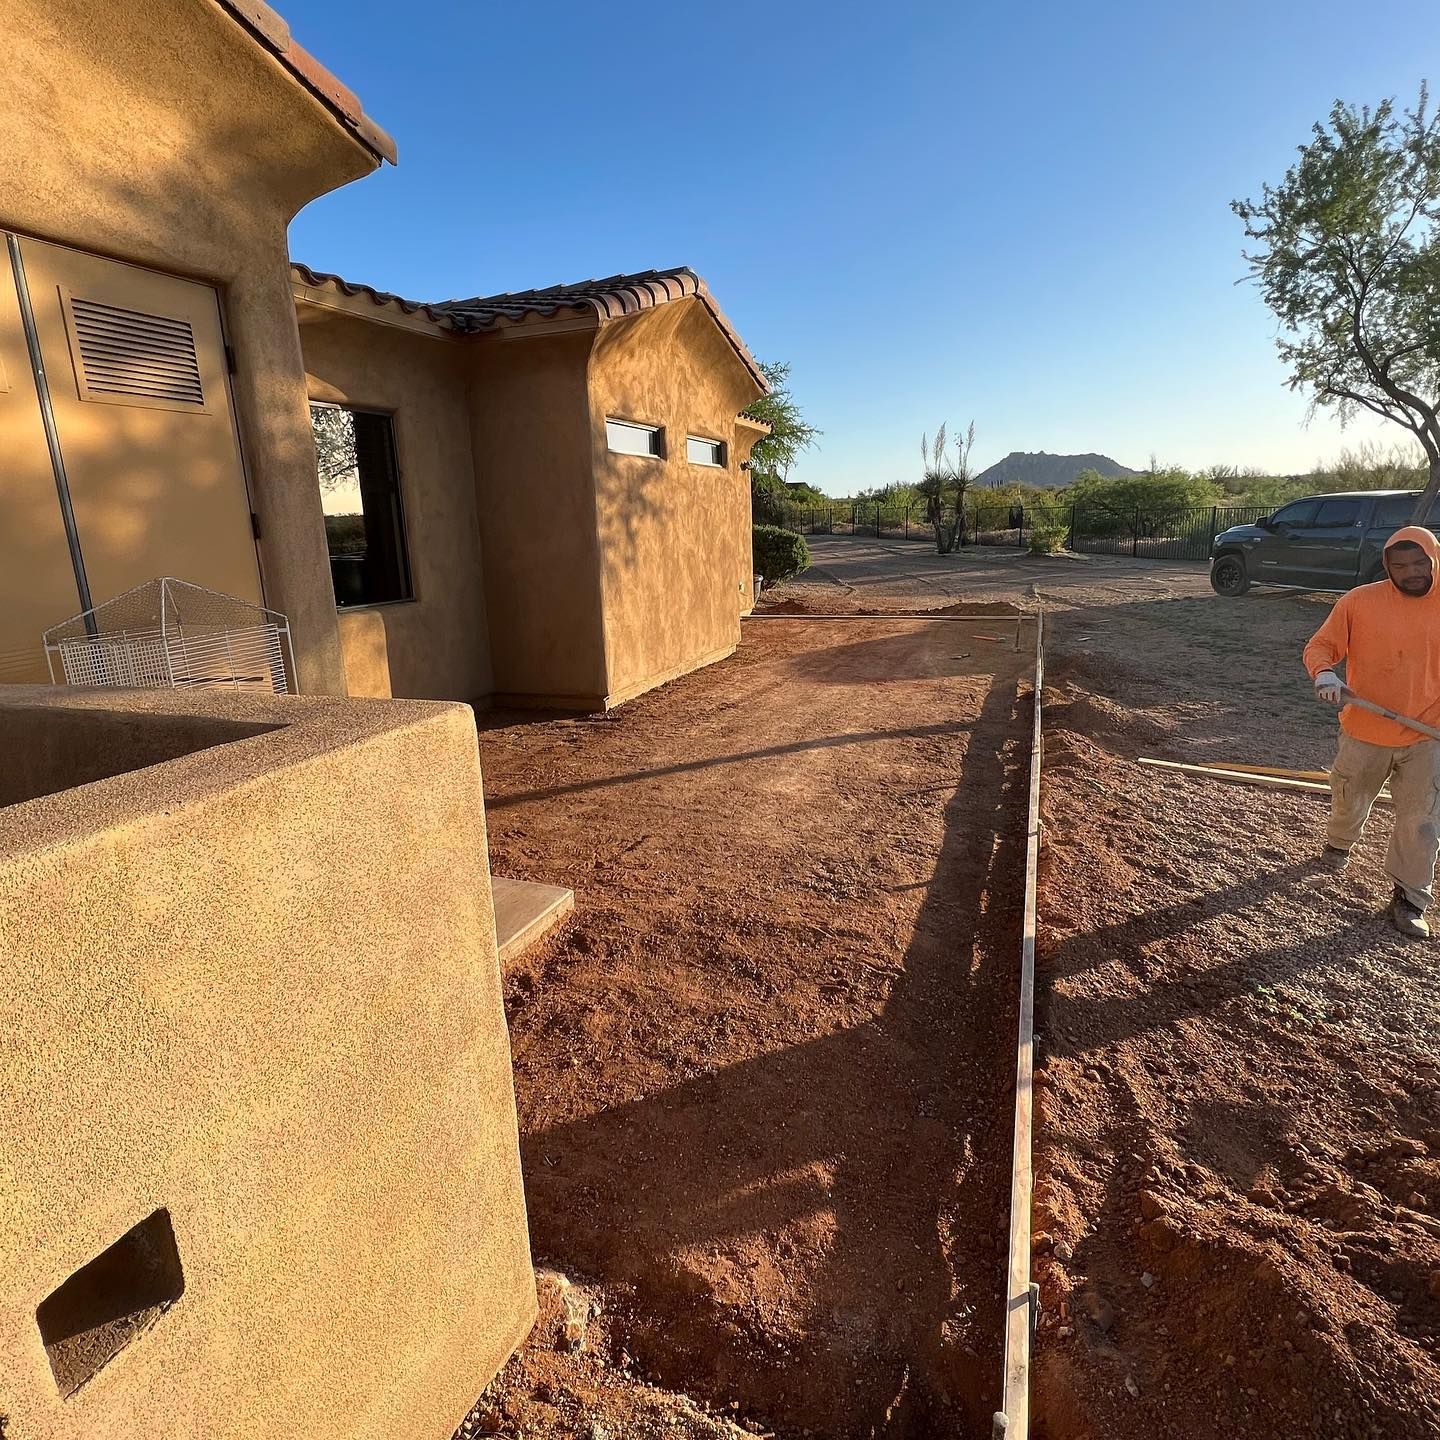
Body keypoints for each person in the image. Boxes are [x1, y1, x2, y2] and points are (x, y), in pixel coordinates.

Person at [1304, 525, 1440, 938]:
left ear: (1435, 557)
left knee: (1422, 821)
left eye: (1420, 562)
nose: (1411, 572)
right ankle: (1340, 843)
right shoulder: (1360, 602)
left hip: (1427, 734)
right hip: (1365, 727)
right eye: (1400, 566)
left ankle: (1411, 896)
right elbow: (1320, 646)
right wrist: (1325, 673)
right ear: (1387, 567)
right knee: (1349, 796)